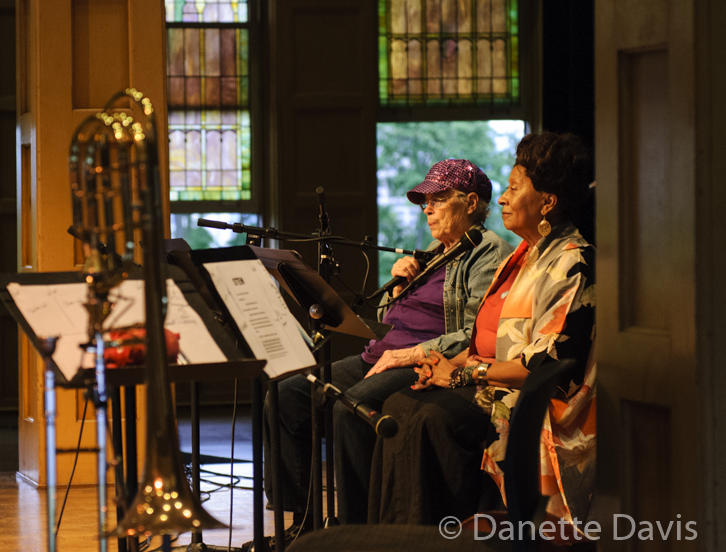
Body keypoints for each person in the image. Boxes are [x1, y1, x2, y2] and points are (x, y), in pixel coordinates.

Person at [250, 160, 512, 550]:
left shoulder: (487, 253)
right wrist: (396, 287)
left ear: (471, 202)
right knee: (284, 397)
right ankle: (303, 521)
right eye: (425, 201)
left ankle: (358, 533)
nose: (428, 208)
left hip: (424, 361)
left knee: (351, 410)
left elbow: (473, 333)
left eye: (438, 199)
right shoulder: (432, 253)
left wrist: (412, 353)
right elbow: (391, 320)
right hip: (379, 354)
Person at [367, 132, 596, 534]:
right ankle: (393, 538)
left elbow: (544, 367)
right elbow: (483, 340)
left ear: (547, 202)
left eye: (512, 189)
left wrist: (458, 375)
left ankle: (437, 540)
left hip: (534, 405)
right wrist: (442, 362)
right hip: (490, 381)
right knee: (400, 407)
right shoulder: (527, 254)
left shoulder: (570, 263)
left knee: (433, 420)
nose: (503, 199)